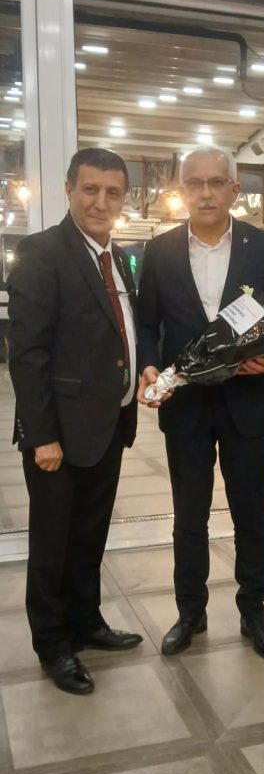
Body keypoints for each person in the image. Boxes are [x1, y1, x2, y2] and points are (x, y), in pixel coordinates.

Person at [137, 146, 264, 660]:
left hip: (248, 404)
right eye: (195, 183)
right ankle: (190, 613)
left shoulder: (263, 246)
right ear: (182, 190)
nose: (205, 192)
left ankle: (255, 612)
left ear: (234, 189)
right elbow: (146, 324)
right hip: (186, 407)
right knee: (189, 517)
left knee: (252, 514)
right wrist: (149, 365)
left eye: (216, 182)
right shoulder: (159, 251)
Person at [8, 148, 143, 696]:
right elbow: (27, 354)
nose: (100, 202)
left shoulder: (119, 259)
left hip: (107, 425)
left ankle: (86, 622)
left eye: (112, 193)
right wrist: (41, 436)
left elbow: (119, 332)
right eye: (90, 190)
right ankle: (53, 643)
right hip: (58, 435)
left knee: (90, 535)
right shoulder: (42, 253)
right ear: (69, 190)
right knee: (53, 544)